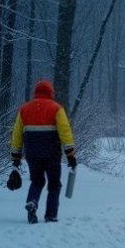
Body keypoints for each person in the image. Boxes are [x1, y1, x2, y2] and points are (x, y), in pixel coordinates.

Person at [10, 80, 76, 224]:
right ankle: (51, 216)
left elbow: (17, 134)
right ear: (51, 93)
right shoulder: (56, 108)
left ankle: (32, 201)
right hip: (51, 152)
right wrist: (70, 154)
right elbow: (65, 131)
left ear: (36, 92)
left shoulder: (24, 109)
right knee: (54, 184)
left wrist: (16, 156)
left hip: (32, 153)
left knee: (37, 180)